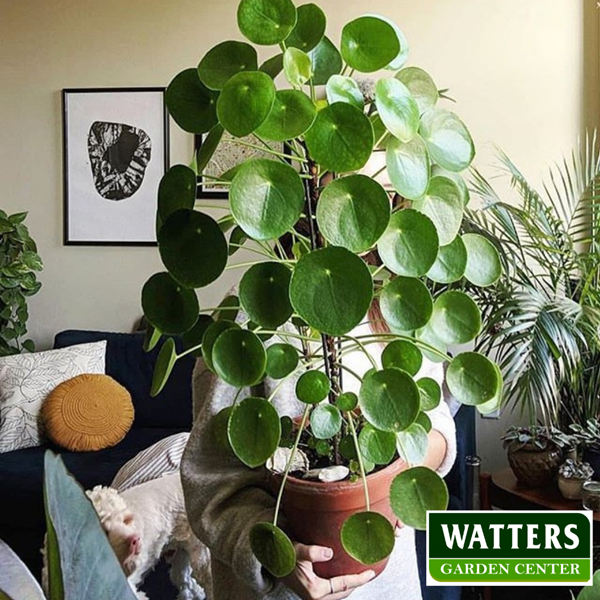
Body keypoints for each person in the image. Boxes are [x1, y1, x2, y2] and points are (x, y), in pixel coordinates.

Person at [180, 293, 457, 600]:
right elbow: (210, 482)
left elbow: (438, 425)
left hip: (390, 587)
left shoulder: (401, 297)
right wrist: (279, 557)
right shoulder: (250, 309)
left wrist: (395, 471)